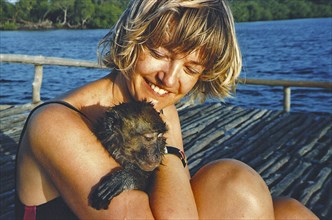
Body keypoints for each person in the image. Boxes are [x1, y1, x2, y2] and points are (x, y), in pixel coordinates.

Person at [15, 0, 318, 219]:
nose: (169, 79)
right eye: (158, 53)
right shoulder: (57, 123)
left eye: (191, 67)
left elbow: (171, 198)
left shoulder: (159, 110)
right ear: (131, 40)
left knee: (286, 210)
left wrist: (163, 139)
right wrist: (167, 145)